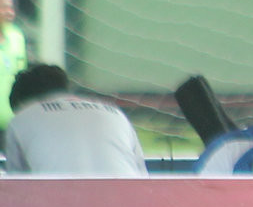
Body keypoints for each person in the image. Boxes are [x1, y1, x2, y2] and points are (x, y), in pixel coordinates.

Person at [4, 64, 148, 177]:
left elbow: (17, 187)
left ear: (23, 104)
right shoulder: (116, 114)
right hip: (127, 203)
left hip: (58, 206)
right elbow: (142, 176)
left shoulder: (21, 119)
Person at [0, 0, 26, 130]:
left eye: (11, 7)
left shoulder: (17, 37)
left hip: (13, 126)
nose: (11, 13)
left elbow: (22, 77)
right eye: (4, 7)